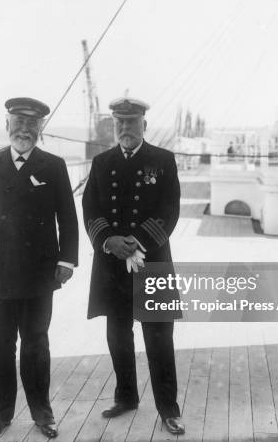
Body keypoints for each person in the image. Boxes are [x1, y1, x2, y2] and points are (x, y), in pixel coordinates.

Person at [0, 97, 79, 439]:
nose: (24, 130)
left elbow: (68, 219)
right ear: (7, 125)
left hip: (38, 272)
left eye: (32, 124)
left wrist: (66, 260)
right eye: (18, 122)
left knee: (35, 344)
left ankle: (42, 414)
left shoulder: (53, 166)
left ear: (41, 128)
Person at [81, 97, 185, 435]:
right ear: (114, 125)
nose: (125, 128)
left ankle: (169, 409)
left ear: (144, 124)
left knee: (158, 337)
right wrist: (109, 241)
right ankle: (126, 397)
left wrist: (136, 242)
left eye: (132, 122)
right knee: (118, 334)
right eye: (120, 123)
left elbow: (170, 210)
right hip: (112, 263)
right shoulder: (101, 163)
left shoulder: (163, 160)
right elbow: (91, 209)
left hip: (151, 260)